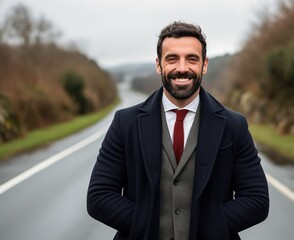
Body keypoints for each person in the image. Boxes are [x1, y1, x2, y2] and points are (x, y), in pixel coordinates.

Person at [87, 21, 269, 240]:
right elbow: (99, 196)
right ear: (158, 64)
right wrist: (146, 226)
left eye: (192, 59)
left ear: (204, 64)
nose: (182, 68)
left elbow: (257, 199)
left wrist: (211, 227)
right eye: (172, 59)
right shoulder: (125, 123)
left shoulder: (233, 125)